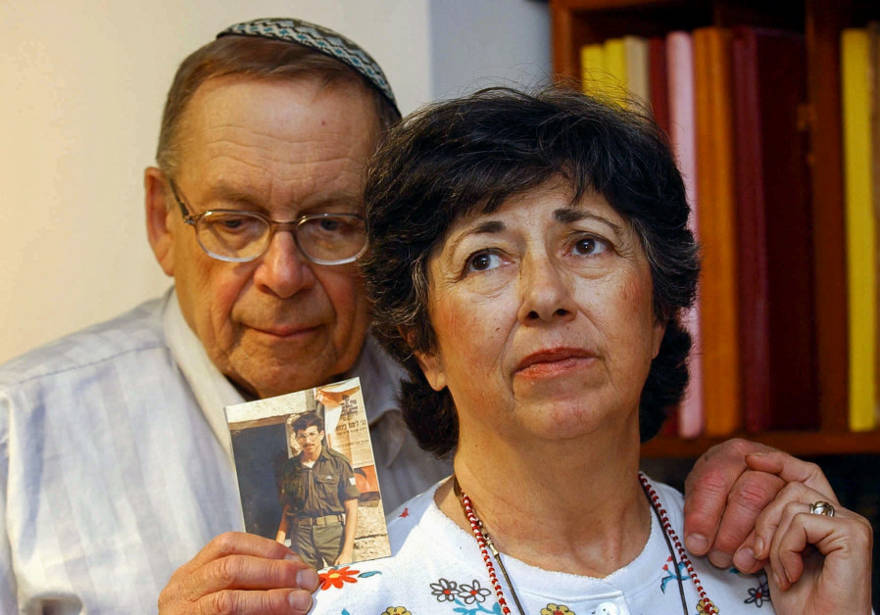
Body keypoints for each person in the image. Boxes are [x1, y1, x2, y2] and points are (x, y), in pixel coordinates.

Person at [0, 16, 820, 615]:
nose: (282, 275)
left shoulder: (483, 374)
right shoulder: (19, 431)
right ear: (160, 220)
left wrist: (750, 504)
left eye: (331, 223)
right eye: (234, 223)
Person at [309, 87, 874, 614]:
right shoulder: (354, 599)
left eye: (586, 244)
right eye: (484, 258)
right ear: (424, 345)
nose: (546, 295)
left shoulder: (779, 571)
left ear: (658, 313)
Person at [276, 413, 359, 569]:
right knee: (307, 585)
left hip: (333, 534)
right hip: (302, 537)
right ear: (297, 438)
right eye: (302, 436)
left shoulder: (338, 463)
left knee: (349, 578)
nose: (307, 441)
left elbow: (352, 509)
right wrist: (278, 545)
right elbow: (288, 509)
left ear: (321, 434)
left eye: (312, 434)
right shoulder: (290, 468)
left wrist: (347, 551)